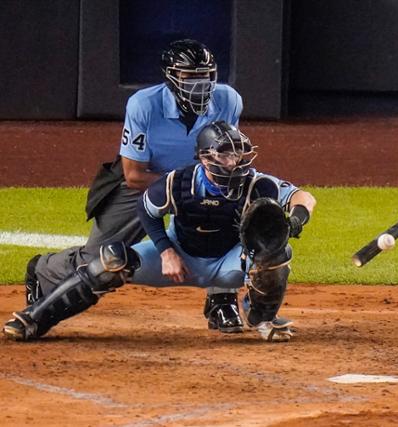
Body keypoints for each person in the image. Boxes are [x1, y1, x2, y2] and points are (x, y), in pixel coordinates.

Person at [4, 121, 316, 342]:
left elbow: (304, 197)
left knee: (277, 254)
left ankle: (260, 318)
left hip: (229, 263)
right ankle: (35, 319)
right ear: (206, 157)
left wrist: (297, 219)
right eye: (225, 155)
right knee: (111, 259)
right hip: (179, 258)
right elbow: (147, 210)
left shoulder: (256, 183)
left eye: (238, 155)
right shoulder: (179, 182)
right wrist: (166, 251)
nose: (234, 162)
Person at [25, 39, 247, 333]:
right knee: (100, 259)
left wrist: (212, 190)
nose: (200, 84)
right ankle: (43, 268)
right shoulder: (144, 104)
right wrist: (183, 189)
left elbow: (226, 157)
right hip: (144, 181)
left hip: (199, 180)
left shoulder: (229, 100)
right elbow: (133, 174)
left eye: (205, 76)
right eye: (190, 77)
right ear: (171, 78)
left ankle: (222, 299)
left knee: (229, 211)